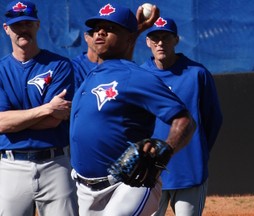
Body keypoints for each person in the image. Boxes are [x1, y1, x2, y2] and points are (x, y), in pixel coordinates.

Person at [69, 3, 196, 216]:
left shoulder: (136, 76)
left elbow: (184, 120)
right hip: (84, 189)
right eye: (97, 27)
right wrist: (135, 29)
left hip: (129, 184)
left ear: (128, 38)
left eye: (110, 28)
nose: (100, 32)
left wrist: (167, 148)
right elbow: (121, 42)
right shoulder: (92, 73)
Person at [0, 1, 78, 215]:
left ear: (38, 25)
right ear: (6, 29)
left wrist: (17, 120)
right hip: (11, 165)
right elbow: (2, 123)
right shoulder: (1, 70)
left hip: (56, 164)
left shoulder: (59, 65)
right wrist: (46, 109)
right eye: (16, 25)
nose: (23, 29)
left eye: (28, 23)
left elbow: (55, 119)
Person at [141, 17, 223, 216]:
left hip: (189, 169)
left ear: (176, 40)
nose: (160, 43)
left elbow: (213, 119)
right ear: (147, 41)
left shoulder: (197, 74)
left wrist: (198, 150)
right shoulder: (140, 75)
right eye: (155, 37)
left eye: (166, 37)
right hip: (150, 171)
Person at [72, 4, 160, 91]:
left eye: (109, 28)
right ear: (86, 37)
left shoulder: (138, 76)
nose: (100, 33)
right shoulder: (76, 68)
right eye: (96, 29)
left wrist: (136, 31)